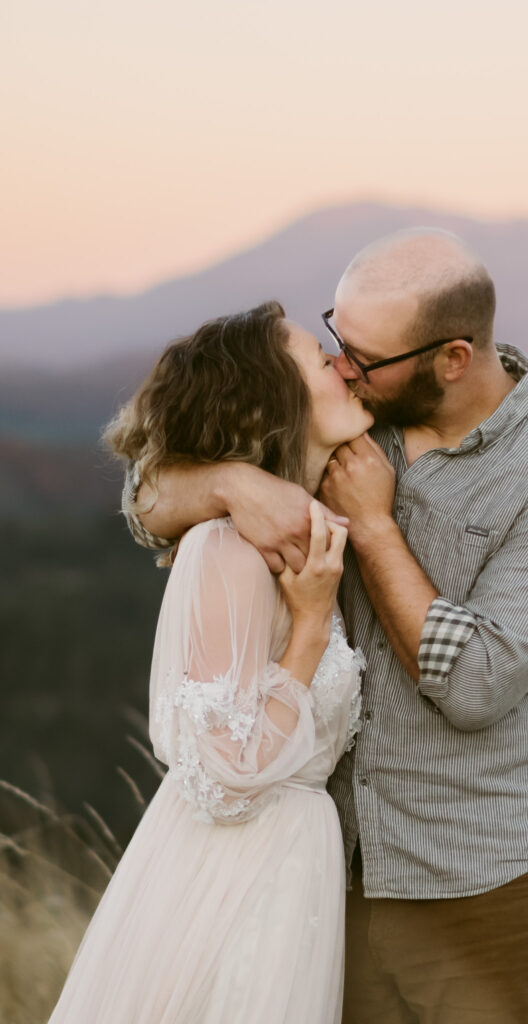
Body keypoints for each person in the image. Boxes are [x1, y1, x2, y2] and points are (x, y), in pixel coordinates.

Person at [127, 231, 528, 1024]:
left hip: (481, 884)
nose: (344, 366)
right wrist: (230, 481)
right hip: (328, 881)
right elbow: (146, 502)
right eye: (336, 343)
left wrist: (376, 528)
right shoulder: (353, 418)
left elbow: (472, 687)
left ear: (451, 358)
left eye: (364, 356)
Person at [47, 301, 372, 1024]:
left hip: (291, 872)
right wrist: (312, 626)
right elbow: (223, 772)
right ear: (273, 405)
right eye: (322, 362)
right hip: (233, 878)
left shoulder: (299, 534)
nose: (344, 367)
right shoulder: (223, 551)